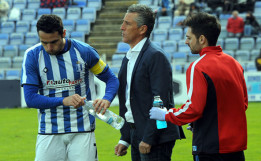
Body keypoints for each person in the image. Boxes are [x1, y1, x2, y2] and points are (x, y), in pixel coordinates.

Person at [150, 12, 248, 161]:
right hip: (236, 148)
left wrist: (165, 114)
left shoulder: (198, 67)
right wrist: (200, 121)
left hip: (210, 147)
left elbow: (193, 109)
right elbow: (243, 104)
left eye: (189, 37)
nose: (186, 42)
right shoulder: (234, 63)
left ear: (201, 39)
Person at [21, 14, 119, 161]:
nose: (49, 47)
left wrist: (107, 99)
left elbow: (111, 79)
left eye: (53, 42)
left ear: (64, 33)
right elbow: (30, 99)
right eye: (44, 43)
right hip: (49, 130)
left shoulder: (84, 51)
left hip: (82, 129)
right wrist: (63, 101)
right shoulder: (32, 56)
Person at [114, 4, 185, 161]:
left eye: (127, 23)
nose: (122, 27)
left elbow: (160, 101)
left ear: (142, 29)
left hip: (154, 136)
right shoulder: (130, 56)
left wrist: (149, 137)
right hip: (136, 133)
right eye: (123, 22)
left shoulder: (155, 56)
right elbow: (127, 100)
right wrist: (125, 138)